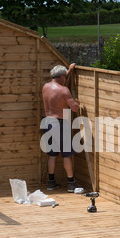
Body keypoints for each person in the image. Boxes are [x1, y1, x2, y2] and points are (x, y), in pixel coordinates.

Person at [42, 63, 80, 192]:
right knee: (66, 155)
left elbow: (59, 81)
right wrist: (77, 103)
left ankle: (51, 182)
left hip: (46, 122)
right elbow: (74, 109)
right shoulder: (64, 90)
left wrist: (68, 71)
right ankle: (70, 183)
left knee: (52, 154)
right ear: (62, 77)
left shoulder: (45, 87)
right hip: (59, 123)